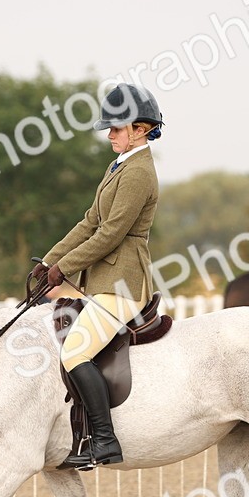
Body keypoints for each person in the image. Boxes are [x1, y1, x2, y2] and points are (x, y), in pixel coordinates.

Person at [31, 83, 163, 469]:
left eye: (116, 129)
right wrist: (50, 261)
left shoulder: (139, 172)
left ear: (140, 128)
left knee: (74, 352)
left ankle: (104, 440)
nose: (110, 135)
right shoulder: (119, 165)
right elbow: (91, 221)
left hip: (124, 284)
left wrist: (64, 269)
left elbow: (110, 234)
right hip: (105, 282)